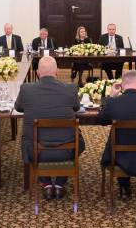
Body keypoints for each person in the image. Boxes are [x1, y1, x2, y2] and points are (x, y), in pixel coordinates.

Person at [14, 56, 84, 200]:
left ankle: (46, 183)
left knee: (30, 137)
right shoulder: (70, 88)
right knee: (79, 138)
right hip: (67, 150)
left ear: (38, 73)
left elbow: (18, 107)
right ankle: (59, 183)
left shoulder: (26, 89)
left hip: (36, 151)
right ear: (57, 71)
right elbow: (76, 107)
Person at [97, 70, 136, 200]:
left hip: (117, 158)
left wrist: (110, 97)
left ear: (122, 86)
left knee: (121, 139)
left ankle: (123, 185)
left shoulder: (113, 103)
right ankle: (124, 185)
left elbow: (100, 120)